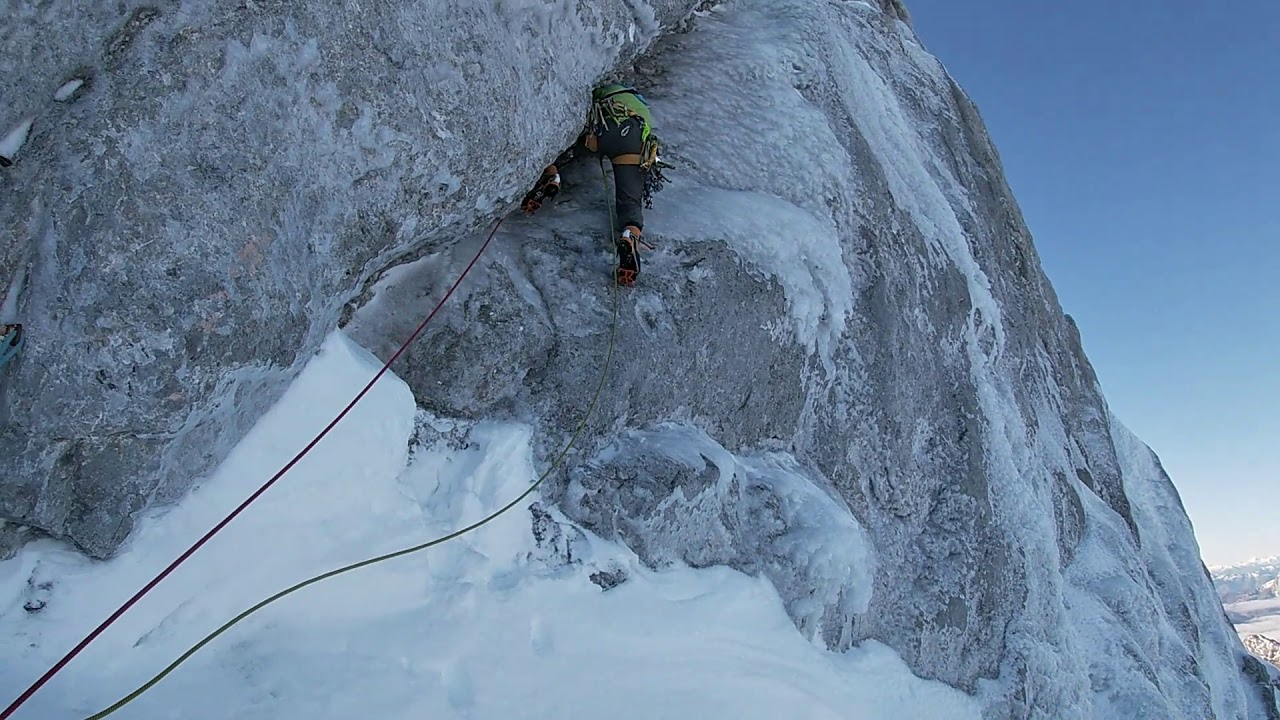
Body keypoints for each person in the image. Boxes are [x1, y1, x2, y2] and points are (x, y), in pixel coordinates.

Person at [522, 84, 664, 287]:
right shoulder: (643, 110)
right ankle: (630, 233)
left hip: (602, 127)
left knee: (565, 150)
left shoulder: (607, 90)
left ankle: (553, 173)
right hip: (633, 138)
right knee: (630, 200)